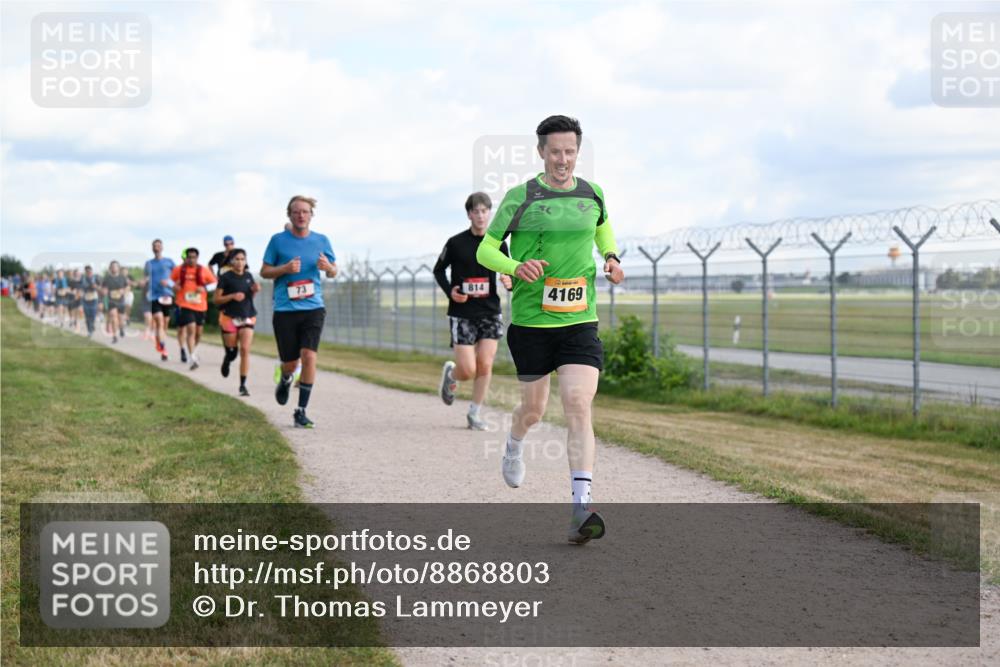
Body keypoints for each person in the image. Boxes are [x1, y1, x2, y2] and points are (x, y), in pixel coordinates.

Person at [476, 115, 625, 544]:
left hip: (580, 319)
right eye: (556, 151)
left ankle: (581, 508)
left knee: (578, 402)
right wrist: (515, 266)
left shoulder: (591, 193)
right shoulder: (520, 196)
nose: (563, 159)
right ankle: (514, 442)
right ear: (541, 151)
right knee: (535, 411)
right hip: (531, 322)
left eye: (570, 151)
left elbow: (601, 226)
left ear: (578, 152)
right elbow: (488, 248)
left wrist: (610, 256)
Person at [433, 192, 512, 430]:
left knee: (485, 365)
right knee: (468, 370)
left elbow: (508, 270)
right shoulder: (456, 243)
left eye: (484, 211)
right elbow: (439, 270)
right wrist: (451, 292)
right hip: (462, 312)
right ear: (469, 214)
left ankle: (474, 414)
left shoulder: (498, 242)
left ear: (490, 214)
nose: (480, 215)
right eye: (475, 211)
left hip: (489, 310)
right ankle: (452, 375)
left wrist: (509, 280)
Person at [261, 195, 337, 428]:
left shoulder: (322, 240)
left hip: (313, 307)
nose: (301, 215)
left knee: (309, 356)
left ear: (311, 215)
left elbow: (334, 271)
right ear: (289, 215)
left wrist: (328, 268)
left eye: (305, 212)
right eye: (296, 212)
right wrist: (284, 268)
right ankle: (285, 378)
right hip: (285, 309)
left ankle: (301, 410)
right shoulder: (277, 241)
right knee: (291, 363)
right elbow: (264, 271)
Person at [214, 248, 258, 396]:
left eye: (242, 259)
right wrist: (232, 296)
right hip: (229, 318)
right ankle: (227, 359)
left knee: (245, 350)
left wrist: (255, 290)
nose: (240, 262)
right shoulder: (226, 277)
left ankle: (243, 385)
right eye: (237, 259)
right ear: (232, 261)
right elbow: (216, 299)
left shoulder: (249, 276)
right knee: (233, 353)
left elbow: (249, 297)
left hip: (247, 316)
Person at [170, 247, 216, 370]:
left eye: (193, 257)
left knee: (199, 333)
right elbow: (169, 281)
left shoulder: (203, 270)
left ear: (197, 258)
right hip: (185, 304)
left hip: (200, 306)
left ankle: (193, 351)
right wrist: (174, 287)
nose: (191, 259)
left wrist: (204, 288)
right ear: (186, 258)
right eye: (189, 257)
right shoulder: (179, 269)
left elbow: (214, 284)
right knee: (191, 329)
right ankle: (192, 357)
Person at [144, 239, 176, 361]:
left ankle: (161, 342)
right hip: (154, 296)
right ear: (152, 248)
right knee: (159, 320)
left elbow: (177, 277)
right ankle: (164, 349)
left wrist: (168, 282)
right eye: (154, 246)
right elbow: (146, 277)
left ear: (162, 247)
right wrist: (144, 283)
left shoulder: (169, 262)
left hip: (167, 295)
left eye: (158, 245)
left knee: (164, 324)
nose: (156, 247)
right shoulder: (148, 263)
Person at [102, 261, 131, 344]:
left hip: (121, 301)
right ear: (110, 268)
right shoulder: (107, 278)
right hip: (111, 301)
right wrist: (105, 292)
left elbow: (128, 288)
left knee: (120, 319)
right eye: (112, 266)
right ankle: (114, 336)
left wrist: (123, 291)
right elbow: (104, 289)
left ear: (118, 268)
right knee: (113, 316)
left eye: (116, 266)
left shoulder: (122, 278)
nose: (114, 268)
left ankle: (121, 328)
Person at [80, 265, 102, 337]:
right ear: (85, 272)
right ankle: (89, 330)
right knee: (87, 316)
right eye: (87, 271)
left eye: (90, 271)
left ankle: (92, 325)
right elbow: (81, 288)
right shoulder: (83, 279)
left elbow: (100, 288)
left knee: (92, 314)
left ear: (92, 271)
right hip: (86, 298)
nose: (89, 273)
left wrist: (96, 286)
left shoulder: (96, 278)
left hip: (94, 298)